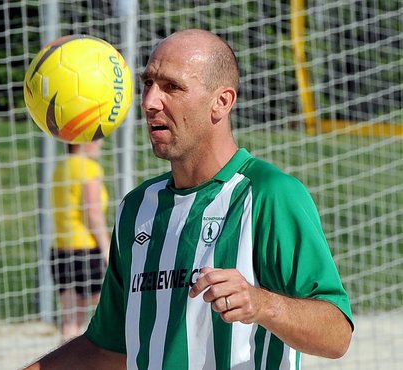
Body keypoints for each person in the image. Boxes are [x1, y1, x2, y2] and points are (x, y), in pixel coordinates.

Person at [24, 29, 353, 369]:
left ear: (221, 102)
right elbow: (108, 346)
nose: (150, 102)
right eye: (148, 83)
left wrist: (263, 304)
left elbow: (337, 334)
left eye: (172, 87)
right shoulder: (136, 209)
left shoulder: (269, 193)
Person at [50, 139, 110, 342]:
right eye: (96, 138)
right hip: (86, 250)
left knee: (70, 322)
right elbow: (92, 213)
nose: (101, 143)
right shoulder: (89, 168)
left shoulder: (61, 166)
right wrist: (107, 249)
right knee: (117, 303)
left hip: (60, 249)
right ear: (84, 142)